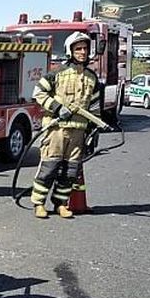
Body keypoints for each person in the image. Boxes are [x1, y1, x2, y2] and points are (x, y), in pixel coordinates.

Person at [30, 32, 100, 219]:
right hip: (56, 129)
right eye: (78, 49)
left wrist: (93, 132)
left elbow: (94, 107)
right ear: (71, 51)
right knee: (49, 167)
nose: (83, 52)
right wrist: (57, 107)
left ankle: (61, 204)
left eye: (85, 48)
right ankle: (38, 204)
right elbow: (38, 92)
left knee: (70, 171)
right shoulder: (57, 73)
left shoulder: (92, 78)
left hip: (78, 132)